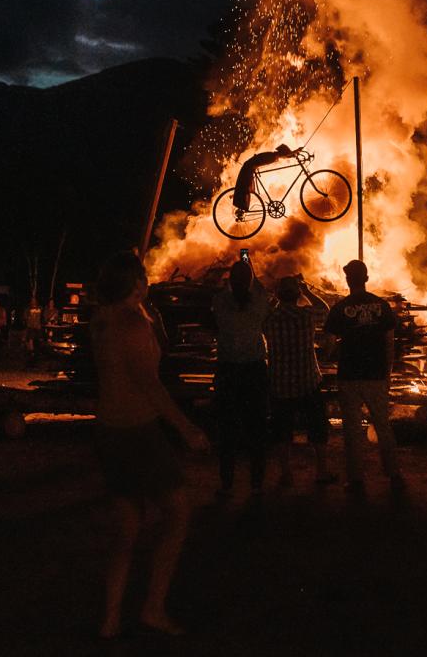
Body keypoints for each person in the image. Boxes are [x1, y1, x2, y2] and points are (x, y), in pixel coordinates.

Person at [91, 251, 208, 640]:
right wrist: (187, 428)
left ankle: (110, 620)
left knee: (126, 527)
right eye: (141, 277)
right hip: (138, 432)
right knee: (177, 513)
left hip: (109, 431)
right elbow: (150, 385)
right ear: (134, 284)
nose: (147, 281)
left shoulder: (103, 319)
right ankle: (153, 608)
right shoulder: (130, 324)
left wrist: (148, 317)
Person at [325, 260, 404, 495]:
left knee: (351, 429)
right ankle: (393, 474)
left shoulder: (340, 308)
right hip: (377, 375)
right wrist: (387, 372)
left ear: (348, 280)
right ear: (366, 279)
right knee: (382, 425)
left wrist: (333, 353)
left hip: (349, 375)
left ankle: (356, 478)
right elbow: (390, 342)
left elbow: (328, 344)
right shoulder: (382, 306)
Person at [264, 274, 334, 487]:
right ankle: (321, 472)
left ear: (278, 295)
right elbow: (325, 310)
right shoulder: (306, 316)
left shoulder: (269, 319)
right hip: (308, 382)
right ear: (297, 295)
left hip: (279, 383)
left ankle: (286, 474)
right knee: (317, 428)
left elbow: (266, 310)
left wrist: (275, 298)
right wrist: (307, 291)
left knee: (281, 431)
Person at [210, 259, 271, 496]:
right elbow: (261, 291)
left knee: (227, 429)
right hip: (254, 371)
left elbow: (222, 293)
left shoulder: (221, 303)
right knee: (257, 428)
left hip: (228, 372)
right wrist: (251, 269)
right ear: (251, 281)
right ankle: (256, 483)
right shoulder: (258, 303)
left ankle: (227, 482)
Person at [232, 144, 293, 212]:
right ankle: (241, 208)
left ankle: (241, 206)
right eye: (284, 155)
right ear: (282, 153)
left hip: (249, 168)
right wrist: (294, 153)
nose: (284, 158)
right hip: (248, 169)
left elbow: (287, 155)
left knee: (245, 187)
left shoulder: (272, 155)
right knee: (244, 187)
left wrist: (294, 152)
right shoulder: (271, 157)